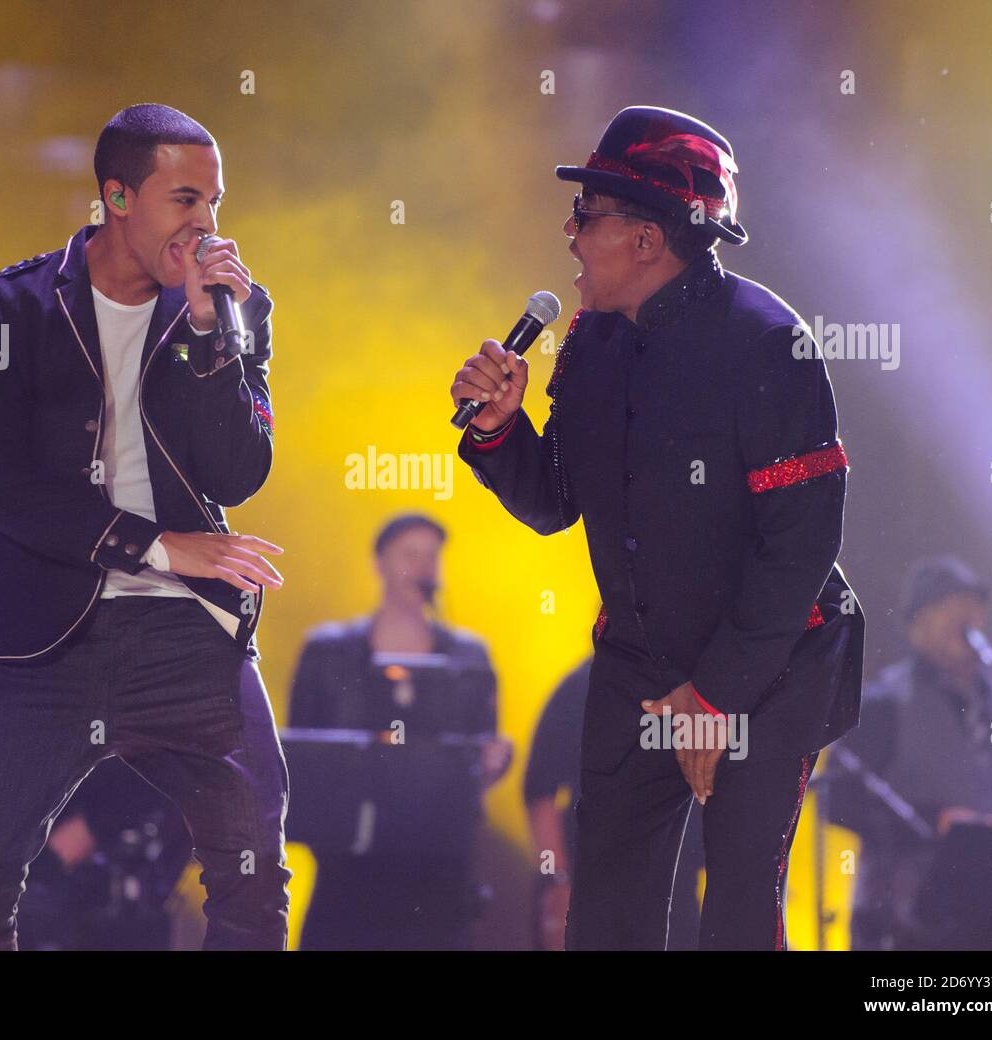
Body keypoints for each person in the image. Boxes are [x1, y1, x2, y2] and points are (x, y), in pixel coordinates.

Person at [450, 105, 864, 950]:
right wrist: (498, 429)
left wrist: (714, 697)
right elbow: (554, 501)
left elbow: (800, 549)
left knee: (739, 911)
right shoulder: (593, 339)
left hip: (767, 666)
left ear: (647, 241)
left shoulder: (767, 344)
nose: (568, 234)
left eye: (586, 216)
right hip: (640, 662)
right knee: (606, 914)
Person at [0, 103, 290, 950]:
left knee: (252, 869)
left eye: (215, 204)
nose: (205, 227)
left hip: (184, 632)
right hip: (43, 634)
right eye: (186, 200)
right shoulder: (11, 309)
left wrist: (209, 335)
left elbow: (238, 471)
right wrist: (157, 546)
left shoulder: (231, 309)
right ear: (117, 197)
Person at [288, 513, 511, 949]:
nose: (424, 567)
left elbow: (484, 751)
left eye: (432, 556)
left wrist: (493, 761)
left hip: (439, 866)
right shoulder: (327, 651)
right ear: (379, 563)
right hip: (348, 867)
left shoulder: (469, 655)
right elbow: (302, 753)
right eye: (410, 554)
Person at [828, 556, 992, 949]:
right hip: (906, 923)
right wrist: (930, 819)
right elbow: (841, 801)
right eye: (946, 604)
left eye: (973, 604)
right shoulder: (882, 705)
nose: (964, 614)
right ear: (916, 623)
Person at [524, 653, 704, 950]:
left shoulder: (699, 694)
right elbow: (541, 791)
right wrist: (558, 883)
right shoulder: (584, 688)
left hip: (675, 885)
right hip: (593, 886)